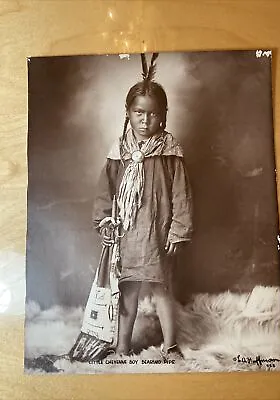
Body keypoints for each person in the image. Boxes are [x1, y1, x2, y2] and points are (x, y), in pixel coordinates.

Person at [93, 54, 193, 360]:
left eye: (152, 114)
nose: (145, 120)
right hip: (127, 232)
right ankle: (121, 346)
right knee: (128, 291)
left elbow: (181, 193)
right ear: (128, 112)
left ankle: (171, 346)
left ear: (162, 115)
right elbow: (104, 189)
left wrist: (178, 230)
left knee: (162, 289)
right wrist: (104, 221)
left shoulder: (169, 149)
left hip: (157, 232)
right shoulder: (119, 150)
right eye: (138, 112)